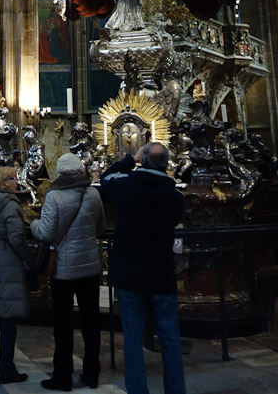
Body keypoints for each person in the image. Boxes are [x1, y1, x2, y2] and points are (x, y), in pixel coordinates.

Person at [100, 142, 186, 394]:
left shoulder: (125, 187)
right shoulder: (176, 198)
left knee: (133, 340)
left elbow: (105, 178)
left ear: (143, 160)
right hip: (161, 274)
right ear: (166, 164)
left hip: (130, 275)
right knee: (170, 339)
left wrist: (130, 159)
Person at [31, 153, 106, 392]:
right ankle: (92, 373)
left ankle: (62, 376)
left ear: (60, 173)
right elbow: (100, 228)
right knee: (91, 321)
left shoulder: (54, 196)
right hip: (90, 267)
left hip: (63, 269)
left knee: (63, 324)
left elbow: (45, 233)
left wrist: (32, 224)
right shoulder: (93, 193)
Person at [0, 166, 34, 384]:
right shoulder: (10, 205)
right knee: (9, 316)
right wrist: (29, 259)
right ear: (4, 182)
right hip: (9, 260)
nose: (17, 183)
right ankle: (6, 368)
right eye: (13, 179)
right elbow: (17, 238)